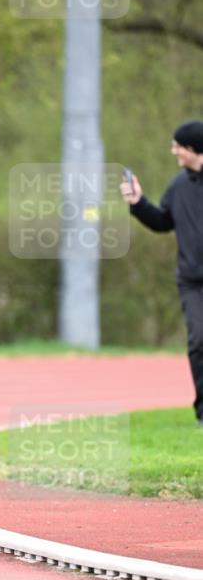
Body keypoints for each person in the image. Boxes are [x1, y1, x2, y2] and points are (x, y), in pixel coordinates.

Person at [121, 119, 203, 425]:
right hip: (192, 281)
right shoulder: (178, 186)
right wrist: (137, 202)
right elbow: (162, 222)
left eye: (178, 146)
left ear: (194, 149)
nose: (173, 151)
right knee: (199, 341)